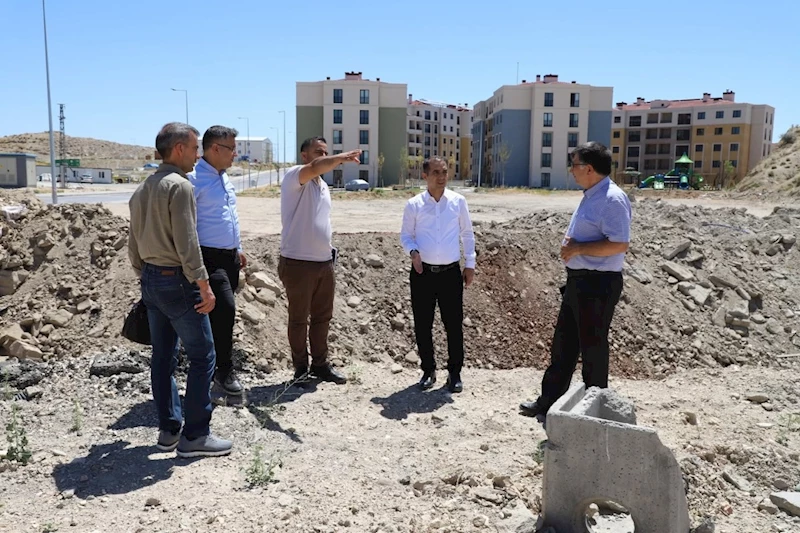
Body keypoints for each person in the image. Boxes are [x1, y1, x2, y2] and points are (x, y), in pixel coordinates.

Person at [128, 122, 232, 458]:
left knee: (162, 357)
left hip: (151, 279)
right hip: (177, 279)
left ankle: (169, 430)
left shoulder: (143, 189)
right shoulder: (180, 186)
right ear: (178, 150)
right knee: (204, 355)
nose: (197, 154)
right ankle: (196, 436)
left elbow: (133, 246)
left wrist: (146, 276)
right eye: (193, 148)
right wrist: (204, 285)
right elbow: (188, 243)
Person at [519, 142, 631, 420]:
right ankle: (549, 403)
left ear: (589, 168)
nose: (571, 171)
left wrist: (578, 249)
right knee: (564, 346)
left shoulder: (612, 199)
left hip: (598, 284)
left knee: (593, 348)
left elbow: (619, 244)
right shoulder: (592, 195)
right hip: (579, 282)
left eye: (575, 164)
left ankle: (594, 412)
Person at [278, 136, 361, 385]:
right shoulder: (296, 176)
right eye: (318, 152)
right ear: (305, 156)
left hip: (324, 262)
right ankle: (300, 368)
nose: (323, 156)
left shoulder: (323, 185)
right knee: (298, 319)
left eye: (326, 152)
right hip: (298, 262)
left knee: (322, 318)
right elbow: (316, 167)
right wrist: (340, 158)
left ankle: (320, 365)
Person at [400, 156, 476, 393]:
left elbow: (467, 234)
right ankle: (428, 370)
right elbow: (406, 236)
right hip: (422, 274)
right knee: (423, 324)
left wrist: (470, 263)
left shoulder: (458, 201)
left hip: (450, 274)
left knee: (453, 325)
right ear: (425, 176)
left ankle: (454, 373)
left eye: (444, 172)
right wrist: (413, 253)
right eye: (436, 172)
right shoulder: (414, 205)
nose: (442, 177)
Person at [188, 126, 245, 396]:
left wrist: (239, 248)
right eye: (231, 148)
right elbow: (187, 225)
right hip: (208, 258)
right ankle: (223, 371)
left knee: (218, 317)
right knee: (226, 310)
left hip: (230, 257)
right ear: (214, 149)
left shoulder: (224, 178)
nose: (235, 153)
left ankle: (209, 372)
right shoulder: (194, 180)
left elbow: (229, 216)